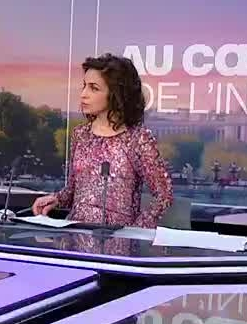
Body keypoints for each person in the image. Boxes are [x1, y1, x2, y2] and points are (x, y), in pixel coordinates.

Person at [32, 54, 173, 228]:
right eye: (84, 86)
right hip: (74, 233)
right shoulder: (80, 134)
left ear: (116, 94)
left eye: (94, 88)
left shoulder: (138, 139)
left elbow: (164, 195)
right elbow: (75, 189)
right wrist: (56, 199)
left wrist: (136, 230)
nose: (83, 95)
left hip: (117, 238)